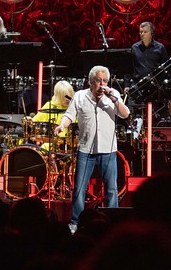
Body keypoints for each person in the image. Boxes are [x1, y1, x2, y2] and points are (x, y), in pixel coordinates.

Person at [54, 65, 130, 234]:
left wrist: (114, 99)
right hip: (86, 149)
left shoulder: (113, 95)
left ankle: (112, 223)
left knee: (111, 189)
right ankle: (75, 222)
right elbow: (69, 115)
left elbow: (125, 114)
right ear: (90, 82)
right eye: (98, 80)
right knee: (79, 188)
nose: (102, 84)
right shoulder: (80, 96)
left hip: (108, 149)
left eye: (105, 81)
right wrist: (62, 126)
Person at [30, 80, 75, 149]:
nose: (67, 99)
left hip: (72, 144)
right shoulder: (49, 105)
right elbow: (35, 122)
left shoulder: (75, 107)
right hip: (53, 144)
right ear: (58, 95)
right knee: (43, 148)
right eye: (65, 96)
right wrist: (30, 121)